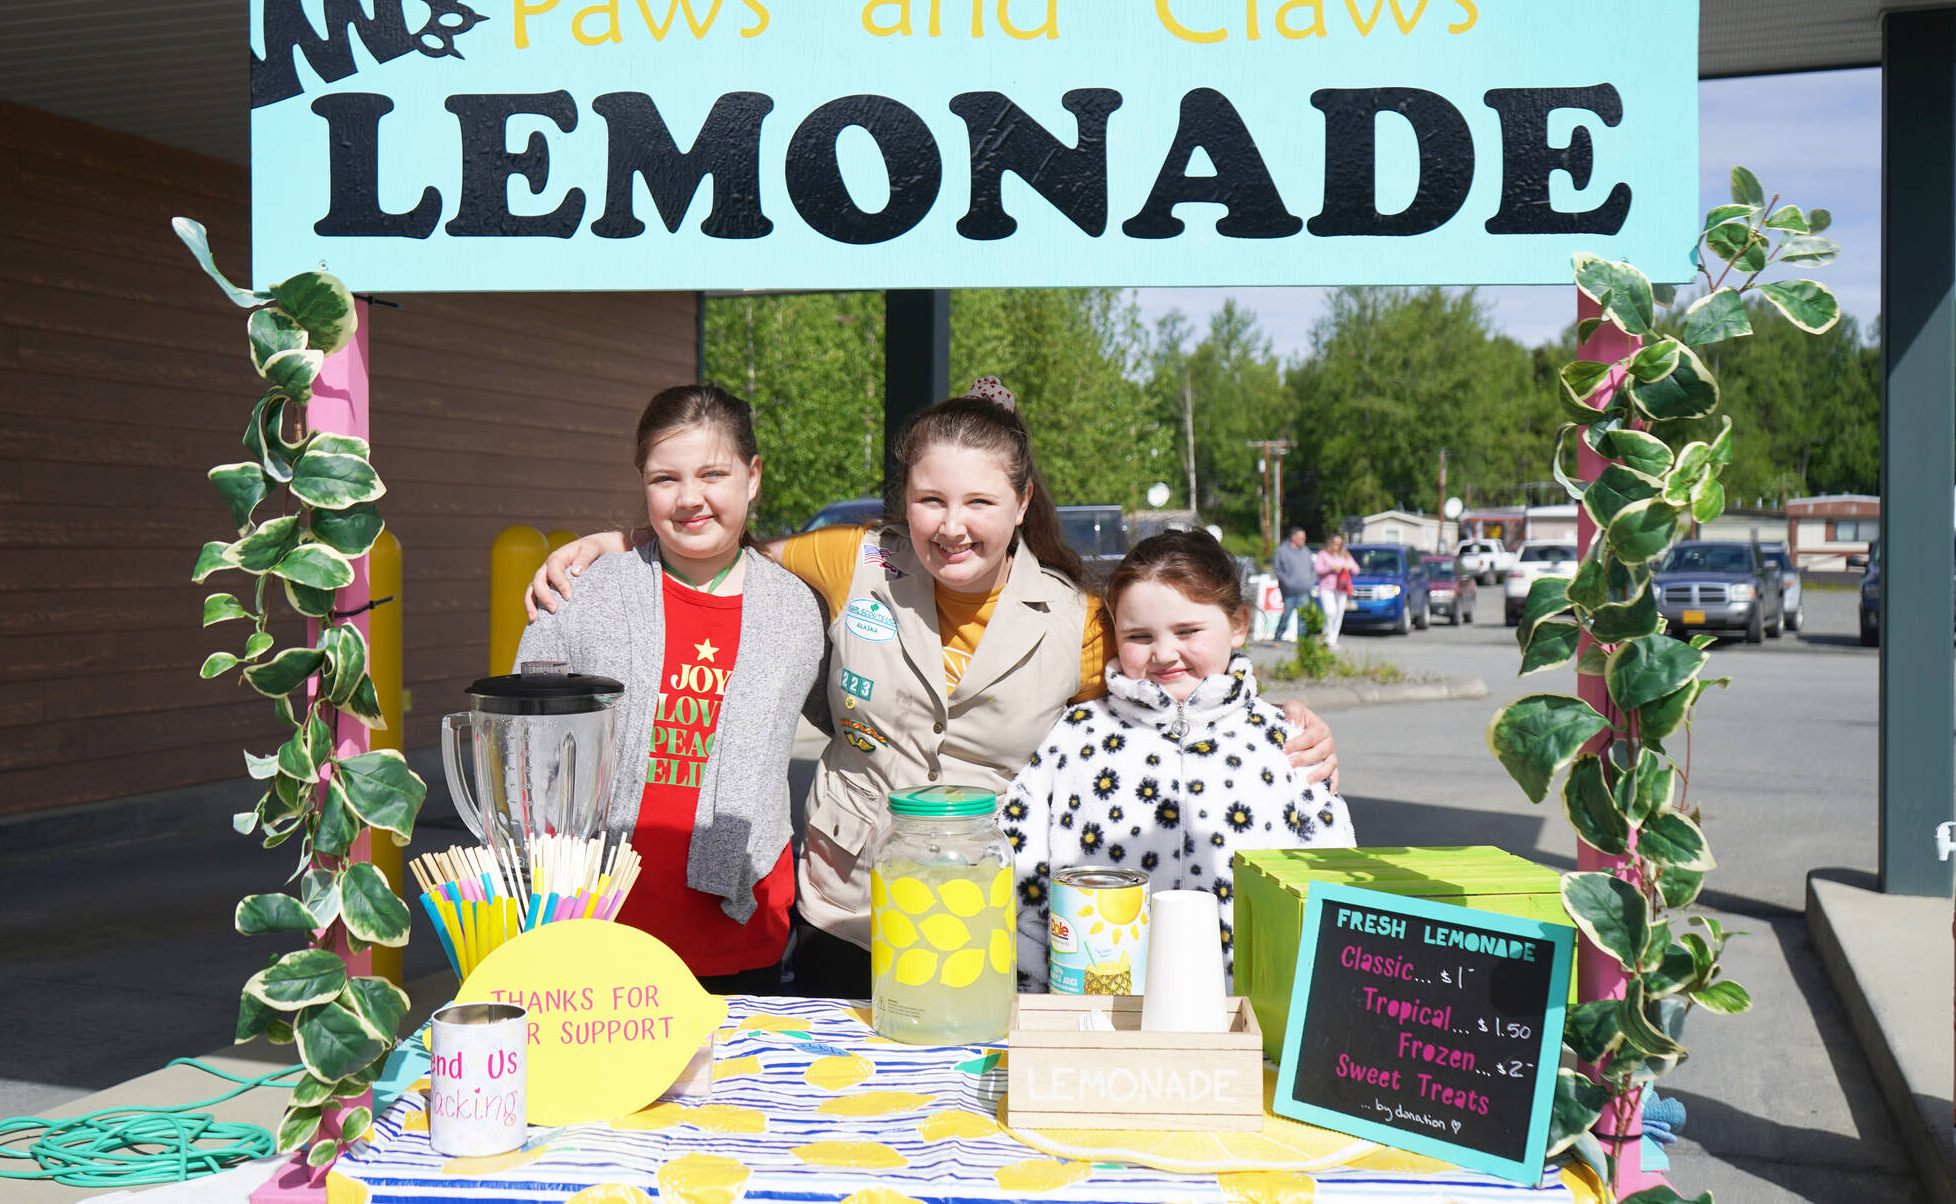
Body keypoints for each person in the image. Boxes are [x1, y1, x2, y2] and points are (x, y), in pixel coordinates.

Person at [527, 378, 1341, 998]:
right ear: (903, 503)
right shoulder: (853, 562)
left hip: (989, 927)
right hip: (843, 912)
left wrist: (1288, 728)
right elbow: (714, 539)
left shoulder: (1078, 618)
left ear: (1021, 502)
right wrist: (620, 541)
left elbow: (1172, 696)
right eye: (930, 500)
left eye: (980, 500)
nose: (953, 524)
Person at [512, 385, 825, 996]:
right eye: (665, 478)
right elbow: (527, 757)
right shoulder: (579, 596)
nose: (690, 499)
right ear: (642, 481)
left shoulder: (796, 610)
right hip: (598, 918)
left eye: (714, 473)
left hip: (740, 913)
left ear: (753, 476)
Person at [1007, 528, 1355, 990]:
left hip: (1251, 1021)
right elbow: (1021, 882)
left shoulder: (1287, 742)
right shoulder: (1073, 738)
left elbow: (1335, 888)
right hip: (1097, 1022)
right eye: (1139, 635)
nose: (1164, 653)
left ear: (1238, 625)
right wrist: (1033, 1002)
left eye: (1188, 631)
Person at [1314, 532, 1358, 648]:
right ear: (1330, 544)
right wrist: (1330, 568)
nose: (1336, 546)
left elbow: (1356, 569)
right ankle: (1326, 636)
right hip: (1327, 588)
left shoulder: (1345, 555)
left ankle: (1332, 639)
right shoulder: (1323, 554)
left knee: (1339, 614)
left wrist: (1349, 567)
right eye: (1334, 544)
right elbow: (1318, 570)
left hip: (1341, 588)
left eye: (1339, 544)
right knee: (1330, 612)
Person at [1271, 526, 1315, 643]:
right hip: (1289, 591)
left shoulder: (1306, 551)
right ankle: (1278, 638)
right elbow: (1277, 569)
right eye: (1302, 537)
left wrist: (1310, 582)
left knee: (1303, 618)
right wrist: (1287, 582)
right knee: (1286, 616)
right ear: (1293, 538)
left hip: (1304, 590)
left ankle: (1302, 643)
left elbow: (1312, 569)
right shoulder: (1282, 550)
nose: (1304, 540)